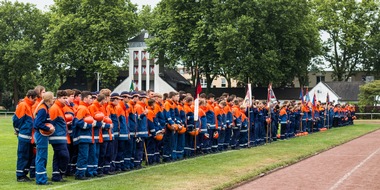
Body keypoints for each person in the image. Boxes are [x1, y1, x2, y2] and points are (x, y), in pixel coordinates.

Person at [13, 90, 38, 182]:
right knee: (23, 155)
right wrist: (19, 131)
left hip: (28, 135)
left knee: (28, 155)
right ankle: (20, 175)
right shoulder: (23, 105)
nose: (35, 101)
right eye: (35, 99)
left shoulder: (29, 105)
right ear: (31, 97)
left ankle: (24, 174)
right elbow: (17, 120)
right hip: (24, 135)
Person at [34, 91, 55, 185]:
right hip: (41, 135)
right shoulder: (43, 109)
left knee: (42, 157)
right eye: (53, 98)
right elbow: (37, 124)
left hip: (42, 136)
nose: (54, 100)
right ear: (49, 99)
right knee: (41, 157)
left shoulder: (44, 108)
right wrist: (48, 129)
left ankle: (42, 178)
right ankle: (41, 180)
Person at [49, 90, 70, 182]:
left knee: (57, 156)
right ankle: (61, 171)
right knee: (65, 156)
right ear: (58, 98)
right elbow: (50, 123)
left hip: (61, 136)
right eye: (63, 98)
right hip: (57, 137)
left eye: (66, 98)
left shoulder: (61, 107)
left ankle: (56, 175)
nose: (65, 100)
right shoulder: (55, 108)